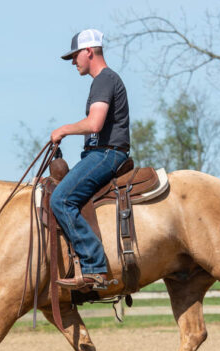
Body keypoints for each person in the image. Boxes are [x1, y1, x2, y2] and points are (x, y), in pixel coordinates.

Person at [50, 28, 130, 290]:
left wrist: (63, 130)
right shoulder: (103, 81)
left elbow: (95, 123)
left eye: (75, 56)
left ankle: (94, 267)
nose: (74, 62)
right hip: (101, 152)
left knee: (60, 199)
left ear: (89, 52)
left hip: (107, 153)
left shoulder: (104, 80)